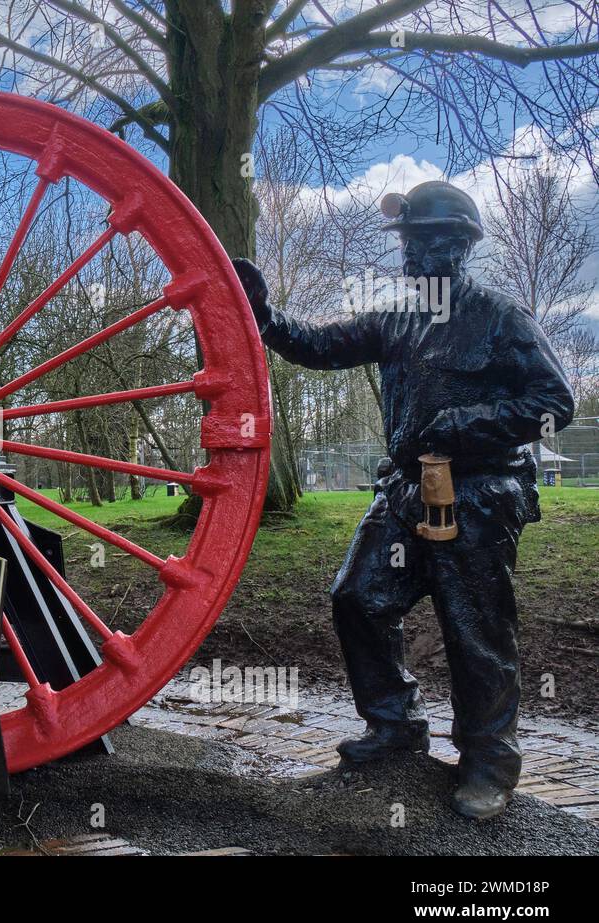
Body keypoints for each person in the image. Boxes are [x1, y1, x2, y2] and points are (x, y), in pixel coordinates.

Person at [231, 180, 574, 818]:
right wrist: (264, 316)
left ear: (461, 246)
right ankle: (394, 727)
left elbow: (554, 405)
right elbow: (319, 345)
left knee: (474, 628)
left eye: (429, 241)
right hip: (406, 490)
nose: (416, 254)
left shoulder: (501, 317)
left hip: (479, 494)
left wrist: (468, 425)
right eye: (410, 243)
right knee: (358, 597)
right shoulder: (395, 317)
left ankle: (488, 761)